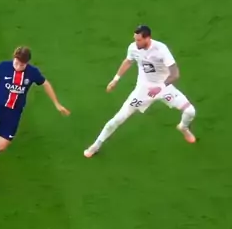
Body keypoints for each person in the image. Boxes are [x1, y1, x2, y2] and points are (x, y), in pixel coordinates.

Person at [84, 25, 196, 158]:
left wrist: (160, 88)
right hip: (143, 90)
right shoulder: (133, 48)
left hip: (164, 88)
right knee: (119, 118)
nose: (136, 43)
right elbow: (128, 61)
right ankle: (96, 145)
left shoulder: (161, 49)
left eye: (139, 40)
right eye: (135, 39)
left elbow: (175, 74)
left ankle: (183, 127)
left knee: (190, 111)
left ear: (148, 38)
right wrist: (115, 80)